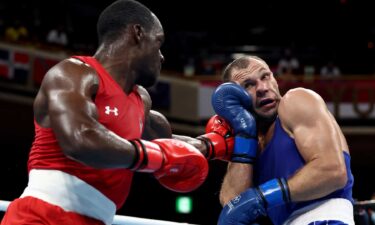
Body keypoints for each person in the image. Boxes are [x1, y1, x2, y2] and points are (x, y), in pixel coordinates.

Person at [0, 1, 221, 224]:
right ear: (137, 33)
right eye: (158, 43)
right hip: (42, 215)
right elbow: (80, 139)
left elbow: (169, 145)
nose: (162, 56)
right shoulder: (73, 74)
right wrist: (152, 156)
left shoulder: (140, 100)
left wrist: (218, 145)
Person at [213, 55, 354, 225]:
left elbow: (333, 172)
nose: (262, 88)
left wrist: (263, 196)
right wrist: (244, 131)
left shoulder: (296, 101)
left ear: (274, 79)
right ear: (236, 100)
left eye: (265, 76)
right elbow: (234, 206)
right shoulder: (250, 143)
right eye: (248, 85)